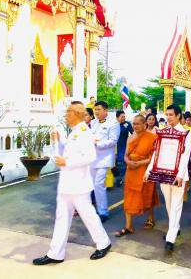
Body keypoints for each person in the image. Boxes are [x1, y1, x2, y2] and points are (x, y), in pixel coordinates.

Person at [33, 102, 111, 266]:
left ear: (77, 113)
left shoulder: (84, 132)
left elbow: (89, 157)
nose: (66, 114)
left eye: (68, 111)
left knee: (88, 216)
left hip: (79, 185)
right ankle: (55, 253)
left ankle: (103, 243)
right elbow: (68, 151)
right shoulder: (74, 132)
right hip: (67, 184)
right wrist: (59, 141)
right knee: (61, 217)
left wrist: (66, 162)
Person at [144, 104, 191, 252]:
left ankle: (170, 237)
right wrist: (149, 170)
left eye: (171, 114)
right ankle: (175, 227)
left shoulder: (186, 133)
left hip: (179, 174)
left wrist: (180, 175)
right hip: (163, 172)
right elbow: (157, 152)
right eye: (167, 114)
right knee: (169, 204)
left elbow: (185, 156)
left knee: (177, 204)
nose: (168, 117)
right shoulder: (162, 132)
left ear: (178, 116)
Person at [115, 115, 159, 236]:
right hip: (131, 170)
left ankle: (150, 218)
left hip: (145, 170)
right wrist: (128, 162)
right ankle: (128, 226)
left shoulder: (152, 137)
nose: (135, 126)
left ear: (144, 125)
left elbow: (153, 158)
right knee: (129, 196)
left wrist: (139, 163)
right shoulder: (130, 138)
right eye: (133, 123)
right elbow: (125, 155)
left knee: (147, 194)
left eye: (138, 124)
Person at [90, 101, 120, 222]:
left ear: (106, 110)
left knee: (99, 184)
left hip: (104, 158)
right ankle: (97, 209)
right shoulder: (93, 122)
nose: (96, 112)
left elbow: (113, 141)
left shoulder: (113, 123)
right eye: (95, 109)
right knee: (93, 185)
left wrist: (97, 144)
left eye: (99, 109)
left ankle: (103, 212)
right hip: (92, 158)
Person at [116, 110, 133, 187]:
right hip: (114, 147)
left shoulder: (127, 124)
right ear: (117, 117)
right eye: (122, 117)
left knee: (121, 163)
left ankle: (120, 178)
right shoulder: (114, 124)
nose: (123, 118)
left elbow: (133, 133)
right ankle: (116, 177)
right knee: (115, 164)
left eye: (124, 116)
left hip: (124, 147)